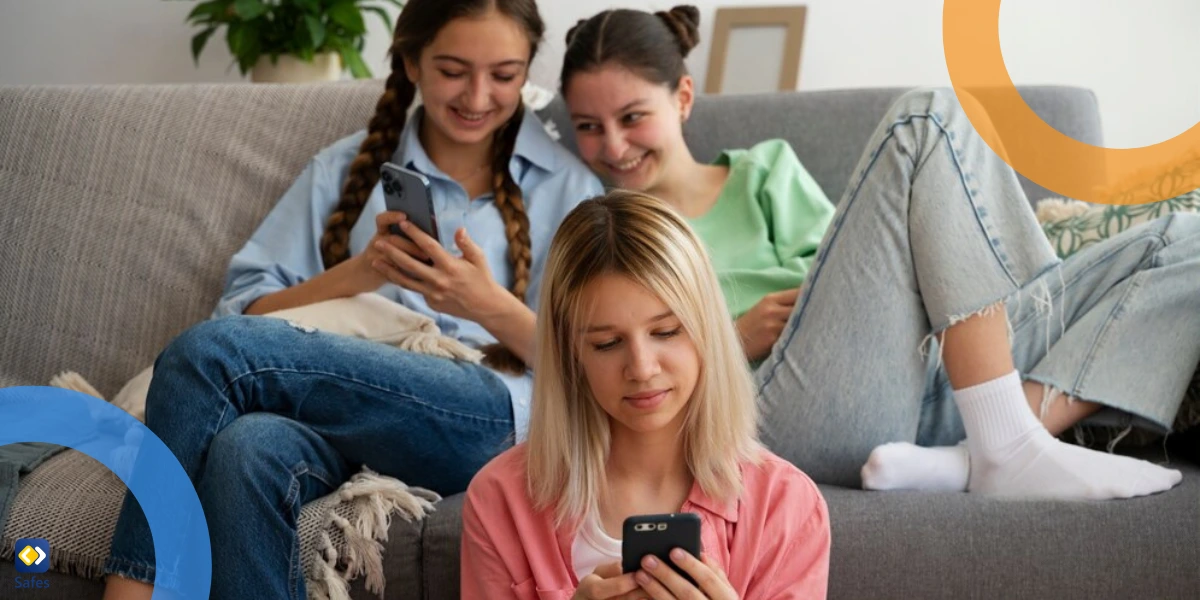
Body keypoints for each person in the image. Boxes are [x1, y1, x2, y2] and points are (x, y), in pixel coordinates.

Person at [560, 5, 1194, 500]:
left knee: (1188, 239)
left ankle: (982, 451)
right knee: (927, 121)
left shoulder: (764, 172)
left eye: (631, 117)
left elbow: (863, 267)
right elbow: (596, 359)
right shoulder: (609, 234)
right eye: (587, 127)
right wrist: (728, 337)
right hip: (775, 407)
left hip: (920, 369)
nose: (612, 146)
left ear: (683, 98)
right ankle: (1007, 445)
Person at [101, 0, 603, 598]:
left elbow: (594, 367)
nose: (477, 95)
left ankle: (130, 589)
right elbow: (245, 316)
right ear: (412, 62)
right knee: (245, 450)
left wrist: (483, 303)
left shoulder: (570, 188)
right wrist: (360, 273)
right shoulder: (345, 169)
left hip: (488, 418)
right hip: (345, 416)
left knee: (202, 355)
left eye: (504, 74)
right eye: (452, 70)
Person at [460, 190, 831, 599]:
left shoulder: (786, 505)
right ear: (570, 355)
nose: (641, 368)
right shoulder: (500, 499)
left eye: (666, 332)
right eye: (606, 343)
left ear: (707, 329)